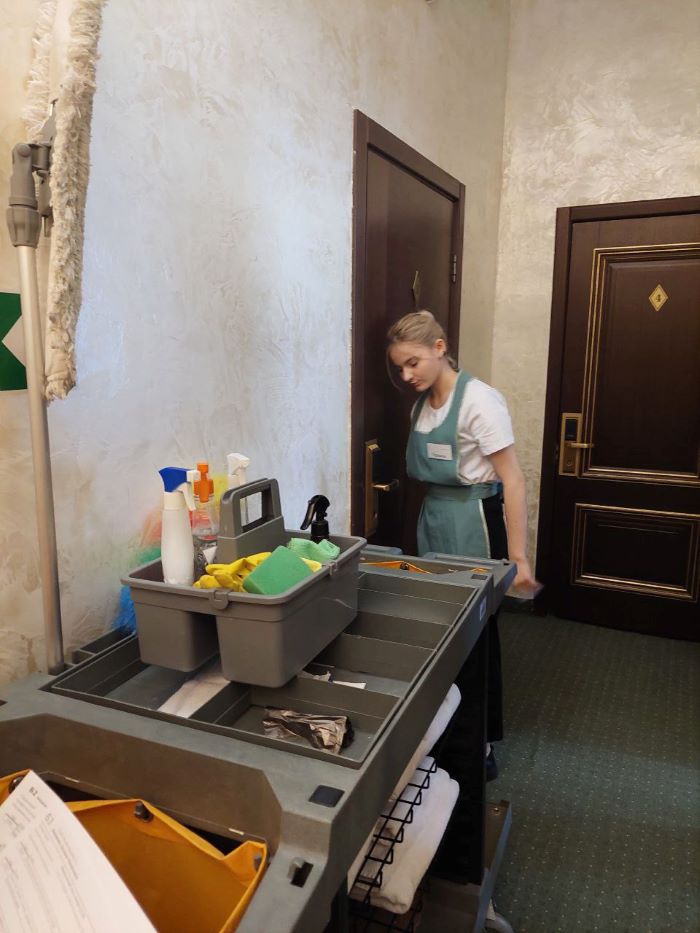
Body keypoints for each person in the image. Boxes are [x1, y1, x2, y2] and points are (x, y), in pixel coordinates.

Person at [386, 309, 538, 780]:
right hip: (435, 516)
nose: (406, 375)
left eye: (413, 363)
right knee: (439, 627)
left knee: (475, 634)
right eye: (400, 367)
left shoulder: (479, 401)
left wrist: (519, 557)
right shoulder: (422, 406)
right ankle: (447, 730)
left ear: (440, 348)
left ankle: (481, 742)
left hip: (474, 520)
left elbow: (513, 480)